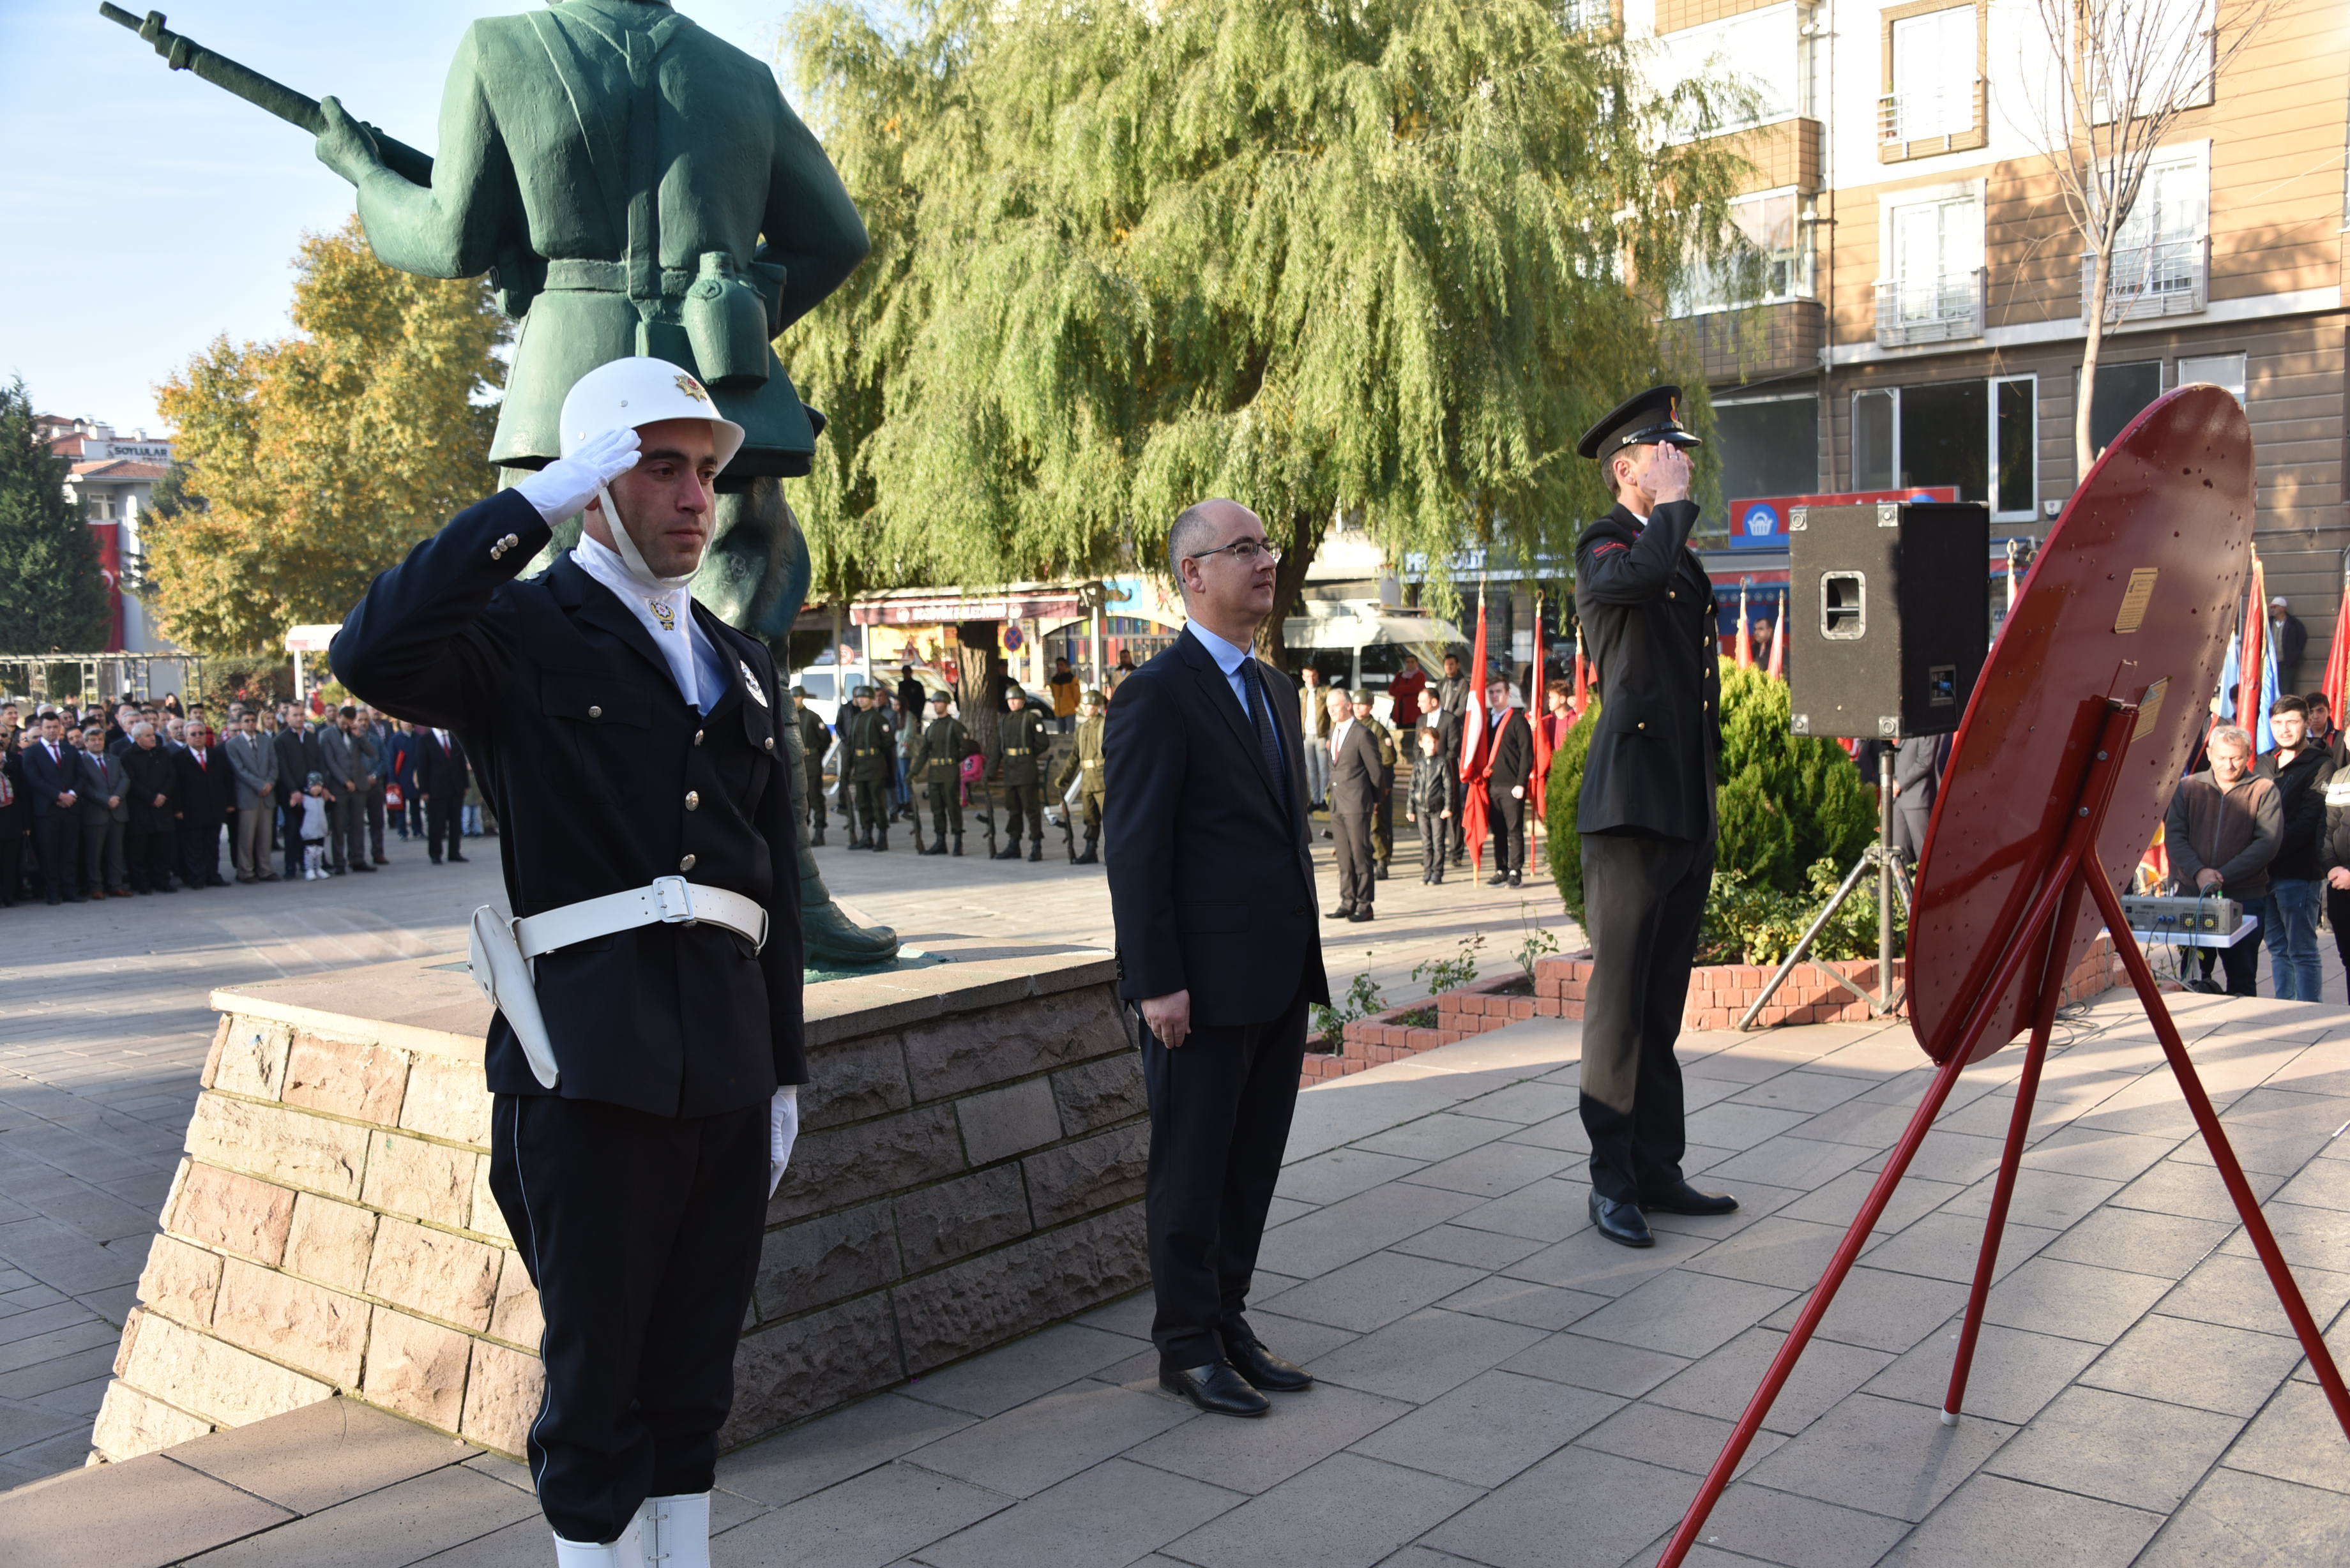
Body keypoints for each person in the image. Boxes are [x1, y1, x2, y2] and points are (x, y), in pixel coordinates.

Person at [332, 358, 807, 1568]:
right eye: (661, 466)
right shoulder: (520, 630)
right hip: (589, 1067)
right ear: (596, 479)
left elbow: (772, 888)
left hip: (726, 1070)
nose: (697, 495)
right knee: (597, 1383)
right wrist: (532, 507)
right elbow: (374, 651)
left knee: (696, 1371)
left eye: (707, 469)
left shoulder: (740, 658)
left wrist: (785, 1071)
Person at [1103, 497, 1326, 1419]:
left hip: (1276, 977)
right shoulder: (1156, 694)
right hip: (1198, 987)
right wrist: (1156, 982)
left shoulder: (1275, 689)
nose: (1265, 562)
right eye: (1243, 550)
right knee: (1191, 1172)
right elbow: (1137, 849)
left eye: (1266, 547)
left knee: (1251, 1167)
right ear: (1192, 575)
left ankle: (1228, 1317)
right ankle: (1185, 1344)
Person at [1571, 386, 1738, 1249]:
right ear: (1626, 468)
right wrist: (1671, 507)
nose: (1684, 465)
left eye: (1685, 454)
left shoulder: (1678, 549)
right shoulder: (1604, 544)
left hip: (1682, 799)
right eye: (1666, 455)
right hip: (1629, 805)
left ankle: (1657, 1167)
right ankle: (1610, 1182)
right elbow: (1636, 582)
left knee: (1665, 1001)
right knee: (1622, 1005)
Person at [2167, 725, 2280, 996]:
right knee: (2191, 976)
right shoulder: (2188, 787)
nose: (2228, 765)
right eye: (2221, 757)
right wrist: (2198, 872)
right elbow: (2175, 837)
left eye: (2236, 758)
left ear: (2248, 755)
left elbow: (2268, 843)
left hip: (2245, 898)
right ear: (2209, 754)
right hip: (2194, 898)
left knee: (2242, 977)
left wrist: (2222, 875)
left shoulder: (2264, 789)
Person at [2254, 696, 2330, 1001]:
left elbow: (2309, 819)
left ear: (2306, 723)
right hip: (2263, 872)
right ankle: (2284, 1008)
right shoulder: (2263, 762)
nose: (2284, 729)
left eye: (2292, 722)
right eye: (2277, 723)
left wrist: (2267, 851)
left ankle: (2310, 1011)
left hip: (2298, 872)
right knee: (2277, 949)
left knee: (2302, 951)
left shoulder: (2321, 764)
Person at [1326, 688, 1381, 921]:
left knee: (1361, 856)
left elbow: (1376, 772)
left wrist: (1374, 802)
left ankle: (1364, 905)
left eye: (1335, 706)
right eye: (1329, 707)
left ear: (1348, 705)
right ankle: (1347, 901)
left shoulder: (1362, 734)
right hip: (1338, 804)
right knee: (1344, 858)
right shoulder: (1333, 731)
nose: (1332, 711)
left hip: (1358, 804)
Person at [23, 712, 85, 905]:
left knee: (70, 852)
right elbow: (34, 780)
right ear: (41, 729)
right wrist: (58, 795)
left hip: (70, 809)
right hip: (47, 812)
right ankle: (53, 892)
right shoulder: (32, 753)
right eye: (48, 727)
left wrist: (72, 794)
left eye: (55, 727)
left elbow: (81, 776)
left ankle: (70, 890)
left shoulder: (70, 750)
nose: (52, 731)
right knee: (49, 853)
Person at [908, 690, 976, 856]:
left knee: (952, 806)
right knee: (936, 808)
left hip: (949, 771)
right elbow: (924, 753)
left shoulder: (955, 726)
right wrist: (913, 773)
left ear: (946, 704)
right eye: (934, 703)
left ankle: (958, 840)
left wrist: (953, 759)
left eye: (939, 702)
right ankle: (940, 841)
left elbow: (967, 747)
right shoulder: (932, 728)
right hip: (935, 772)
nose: (936, 705)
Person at [989, 684, 1052, 862]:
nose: (1012, 703)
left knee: (1031, 809)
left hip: (1026, 769)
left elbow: (1043, 742)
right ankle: (1014, 843)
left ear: (1023, 701)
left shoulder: (1031, 719)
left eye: (1016, 699)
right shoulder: (1004, 721)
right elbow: (997, 749)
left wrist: (1028, 753)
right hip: (1010, 769)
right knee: (1013, 809)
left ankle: (1036, 844)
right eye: (1010, 700)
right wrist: (990, 771)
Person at [1482, 677, 1533, 888]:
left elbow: (1527, 754)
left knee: (1514, 830)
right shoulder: (1486, 720)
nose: (1495, 696)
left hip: (1512, 786)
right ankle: (1501, 868)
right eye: (1491, 692)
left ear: (1508, 694)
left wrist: (1521, 783)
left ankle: (1515, 869)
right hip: (1492, 785)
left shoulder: (1517, 720)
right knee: (1498, 831)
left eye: (1499, 692)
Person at [1051, 688, 1109, 864]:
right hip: (1088, 781)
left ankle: (1113, 853)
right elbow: (1075, 757)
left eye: (1089, 704)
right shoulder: (1082, 729)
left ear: (1098, 706)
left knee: (1109, 819)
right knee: (1090, 819)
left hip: (1103, 780)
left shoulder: (1105, 725)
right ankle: (1090, 851)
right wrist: (1064, 778)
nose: (1086, 708)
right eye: (1084, 704)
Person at [319, 707, 381, 875]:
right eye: (345, 722)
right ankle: (339, 862)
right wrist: (345, 781)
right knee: (339, 827)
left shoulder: (356, 733)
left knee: (358, 825)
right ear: (338, 717)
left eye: (350, 723)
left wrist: (360, 737)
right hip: (339, 787)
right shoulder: (326, 735)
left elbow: (372, 753)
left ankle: (358, 859)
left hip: (359, 785)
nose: (347, 726)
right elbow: (329, 762)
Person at [175, 722, 235, 890]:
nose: (198, 737)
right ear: (186, 737)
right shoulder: (179, 759)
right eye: (193, 734)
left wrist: (230, 803)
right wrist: (178, 809)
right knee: (194, 847)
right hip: (191, 810)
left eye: (201, 733)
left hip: (214, 808)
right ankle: (197, 877)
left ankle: (213, 875)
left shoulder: (217, 756)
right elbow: (176, 786)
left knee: (212, 845)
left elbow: (227, 781)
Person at [123, 722, 179, 894]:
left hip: (162, 807)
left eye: (153, 735)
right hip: (141, 809)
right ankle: (141, 883)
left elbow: (171, 775)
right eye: (148, 736)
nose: (152, 738)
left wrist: (163, 794)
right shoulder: (127, 756)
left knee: (162, 848)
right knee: (140, 850)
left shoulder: (162, 753)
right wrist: (151, 797)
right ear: (137, 738)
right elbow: (131, 781)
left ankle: (162, 880)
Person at [225, 710, 282, 884]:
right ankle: (246, 872)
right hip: (248, 796)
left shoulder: (266, 741)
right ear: (241, 724)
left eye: (252, 720)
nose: (250, 723)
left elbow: (274, 766)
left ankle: (265, 870)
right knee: (246, 837)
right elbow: (239, 770)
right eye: (246, 721)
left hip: (267, 795)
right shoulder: (233, 744)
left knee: (265, 836)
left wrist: (269, 784)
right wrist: (260, 785)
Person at [77, 726, 131, 898]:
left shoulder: (113, 759)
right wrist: (105, 800)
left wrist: (116, 797)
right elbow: (84, 787)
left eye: (100, 739)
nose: (97, 742)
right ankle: (96, 887)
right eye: (93, 740)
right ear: (86, 743)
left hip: (117, 810)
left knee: (116, 851)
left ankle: (116, 885)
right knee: (95, 853)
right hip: (95, 812)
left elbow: (125, 779)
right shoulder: (81, 762)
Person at [840, 686, 892, 850]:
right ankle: (866, 835)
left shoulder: (878, 719)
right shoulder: (856, 719)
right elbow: (850, 747)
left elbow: (889, 743)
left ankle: (882, 836)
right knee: (862, 803)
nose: (860, 700)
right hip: (860, 767)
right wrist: (846, 773)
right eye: (859, 697)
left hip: (875, 766)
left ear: (871, 699)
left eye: (864, 697)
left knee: (877, 802)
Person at [275, 711, 324, 880]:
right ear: (287, 718)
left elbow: (319, 762)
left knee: (312, 830)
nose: (299, 718)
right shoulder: (281, 740)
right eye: (294, 715)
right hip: (291, 794)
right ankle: (290, 867)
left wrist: (319, 786)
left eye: (301, 715)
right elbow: (283, 768)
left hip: (312, 792)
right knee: (292, 830)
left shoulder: (311, 738)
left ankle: (312, 864)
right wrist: (293, 791)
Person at [413, 724, 470, 864]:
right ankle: (435, 853)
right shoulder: (425, 740)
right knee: (436, 823)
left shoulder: (454, 738)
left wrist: (465, 784)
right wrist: (424, 790)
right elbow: (422, 766)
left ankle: (454, 852)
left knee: (456, 822)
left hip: (456, 787)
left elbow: (461, 762)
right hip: (436, 790)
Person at [1889, 732, 1944, 865]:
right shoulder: (1905, 728)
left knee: (1923, 852)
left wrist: (1900, 783)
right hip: (1898, 799)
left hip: (1917, 798)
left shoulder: (1927, 728)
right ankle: (1903, 884)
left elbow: (1925, 762)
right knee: (1899, 851)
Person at [1406, 725, 1451, 884]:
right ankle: (1427, 871)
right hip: (1421, 809)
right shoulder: (1418, 764)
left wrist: (1447, 807)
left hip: (1437, 809)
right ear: (1421, 744)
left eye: (1434, 742)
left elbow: (1448, 787)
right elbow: (1412, 787)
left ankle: (1437, 872)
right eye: (1428, 742)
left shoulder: (1442, 763)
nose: (1431, 746)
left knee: (1438, 842)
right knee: (1426, 843)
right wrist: (1410, 808)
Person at [790, 687, 830, 847]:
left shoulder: (812, 717)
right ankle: (802, 833)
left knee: (815, 797)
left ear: (803, 698)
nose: (795, 700)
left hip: (811, 763)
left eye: (798, 697)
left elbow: (825, 738)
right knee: (799, 799)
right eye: (793, 697)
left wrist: (815, 754)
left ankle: (819, 830)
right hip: (796, 764)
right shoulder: (788, 717)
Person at [1296, 665, 1332, 813]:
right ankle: (1315, 800)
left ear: (1317, 676)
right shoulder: (1301, 693)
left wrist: (1331, 735)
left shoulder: (1325, 691)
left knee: (1324, 769)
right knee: (1311, 770)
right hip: (1306, 736)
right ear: (1303, 677)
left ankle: (1324, 799)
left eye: (1313, 676)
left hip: (1322, 735)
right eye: (1307, 676)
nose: (1311, 679)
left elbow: (1331, 714)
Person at [298, 773, 332, 880]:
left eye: (319, 786)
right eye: (314, 786)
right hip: (309, 830)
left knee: (319, 851)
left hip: (320, 829)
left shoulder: (322, 799)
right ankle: (309, 869)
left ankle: (319, 868)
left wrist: (331, 800)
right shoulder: (305, 800)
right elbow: (298, 812)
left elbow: (329, 809)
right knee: (310, 851)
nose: (317, 788)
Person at [2270, 598, 2308, 690]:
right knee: (2271, 689)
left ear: (2283, 608)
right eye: (2272, 608)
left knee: (2286, 689)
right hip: (2271, 663)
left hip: (2286, 663)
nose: (2273, 610)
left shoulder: (2294, 624)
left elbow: (2302, 639)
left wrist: (2294, 656)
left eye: (2275, 607)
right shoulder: (2269, 622)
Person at [1388, 654, 1428, 723]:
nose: (1410, 664)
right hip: (1400, 713)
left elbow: (1415, 688)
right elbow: (1391, 690)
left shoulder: (1420, 675)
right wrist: (1406, 689)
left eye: (1412, 662)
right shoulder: (1400, 675)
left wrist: (1399, 689)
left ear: (1417, 663)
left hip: (1414, 714)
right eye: (1408, 662)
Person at [1047, 656, 1080, 733]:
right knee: (1061, 734)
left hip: (1069, 711)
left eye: (1061, 665)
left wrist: (1073, 705)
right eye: (1058, 665)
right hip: (1058, 712)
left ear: (1066, 666)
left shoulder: (1072, 679)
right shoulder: (1054, 679)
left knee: (1071, 734)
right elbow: (1054, 694)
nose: (1059, 667)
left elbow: (1077, 695)